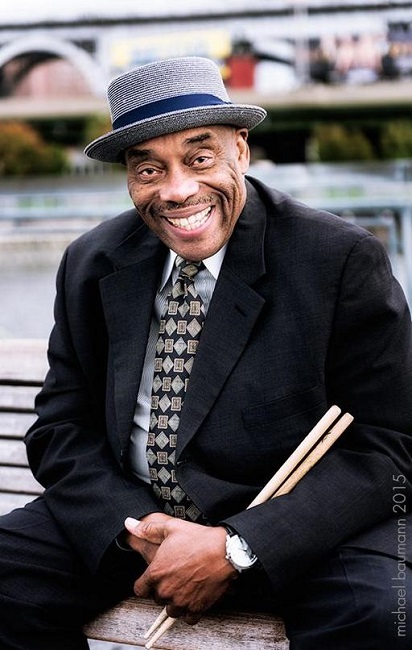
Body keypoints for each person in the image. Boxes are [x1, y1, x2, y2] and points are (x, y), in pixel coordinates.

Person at [0, 56, 411, 650]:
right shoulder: (91, 262)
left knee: (380, 615)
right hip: (136, 522)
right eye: (149, 168)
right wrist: (137, 532)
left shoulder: (338, 259)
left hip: (292, 529)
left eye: (199, 159)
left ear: (240, 149)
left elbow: (391, 442)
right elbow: (60, 428)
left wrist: (238, 546)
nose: (177, 191)